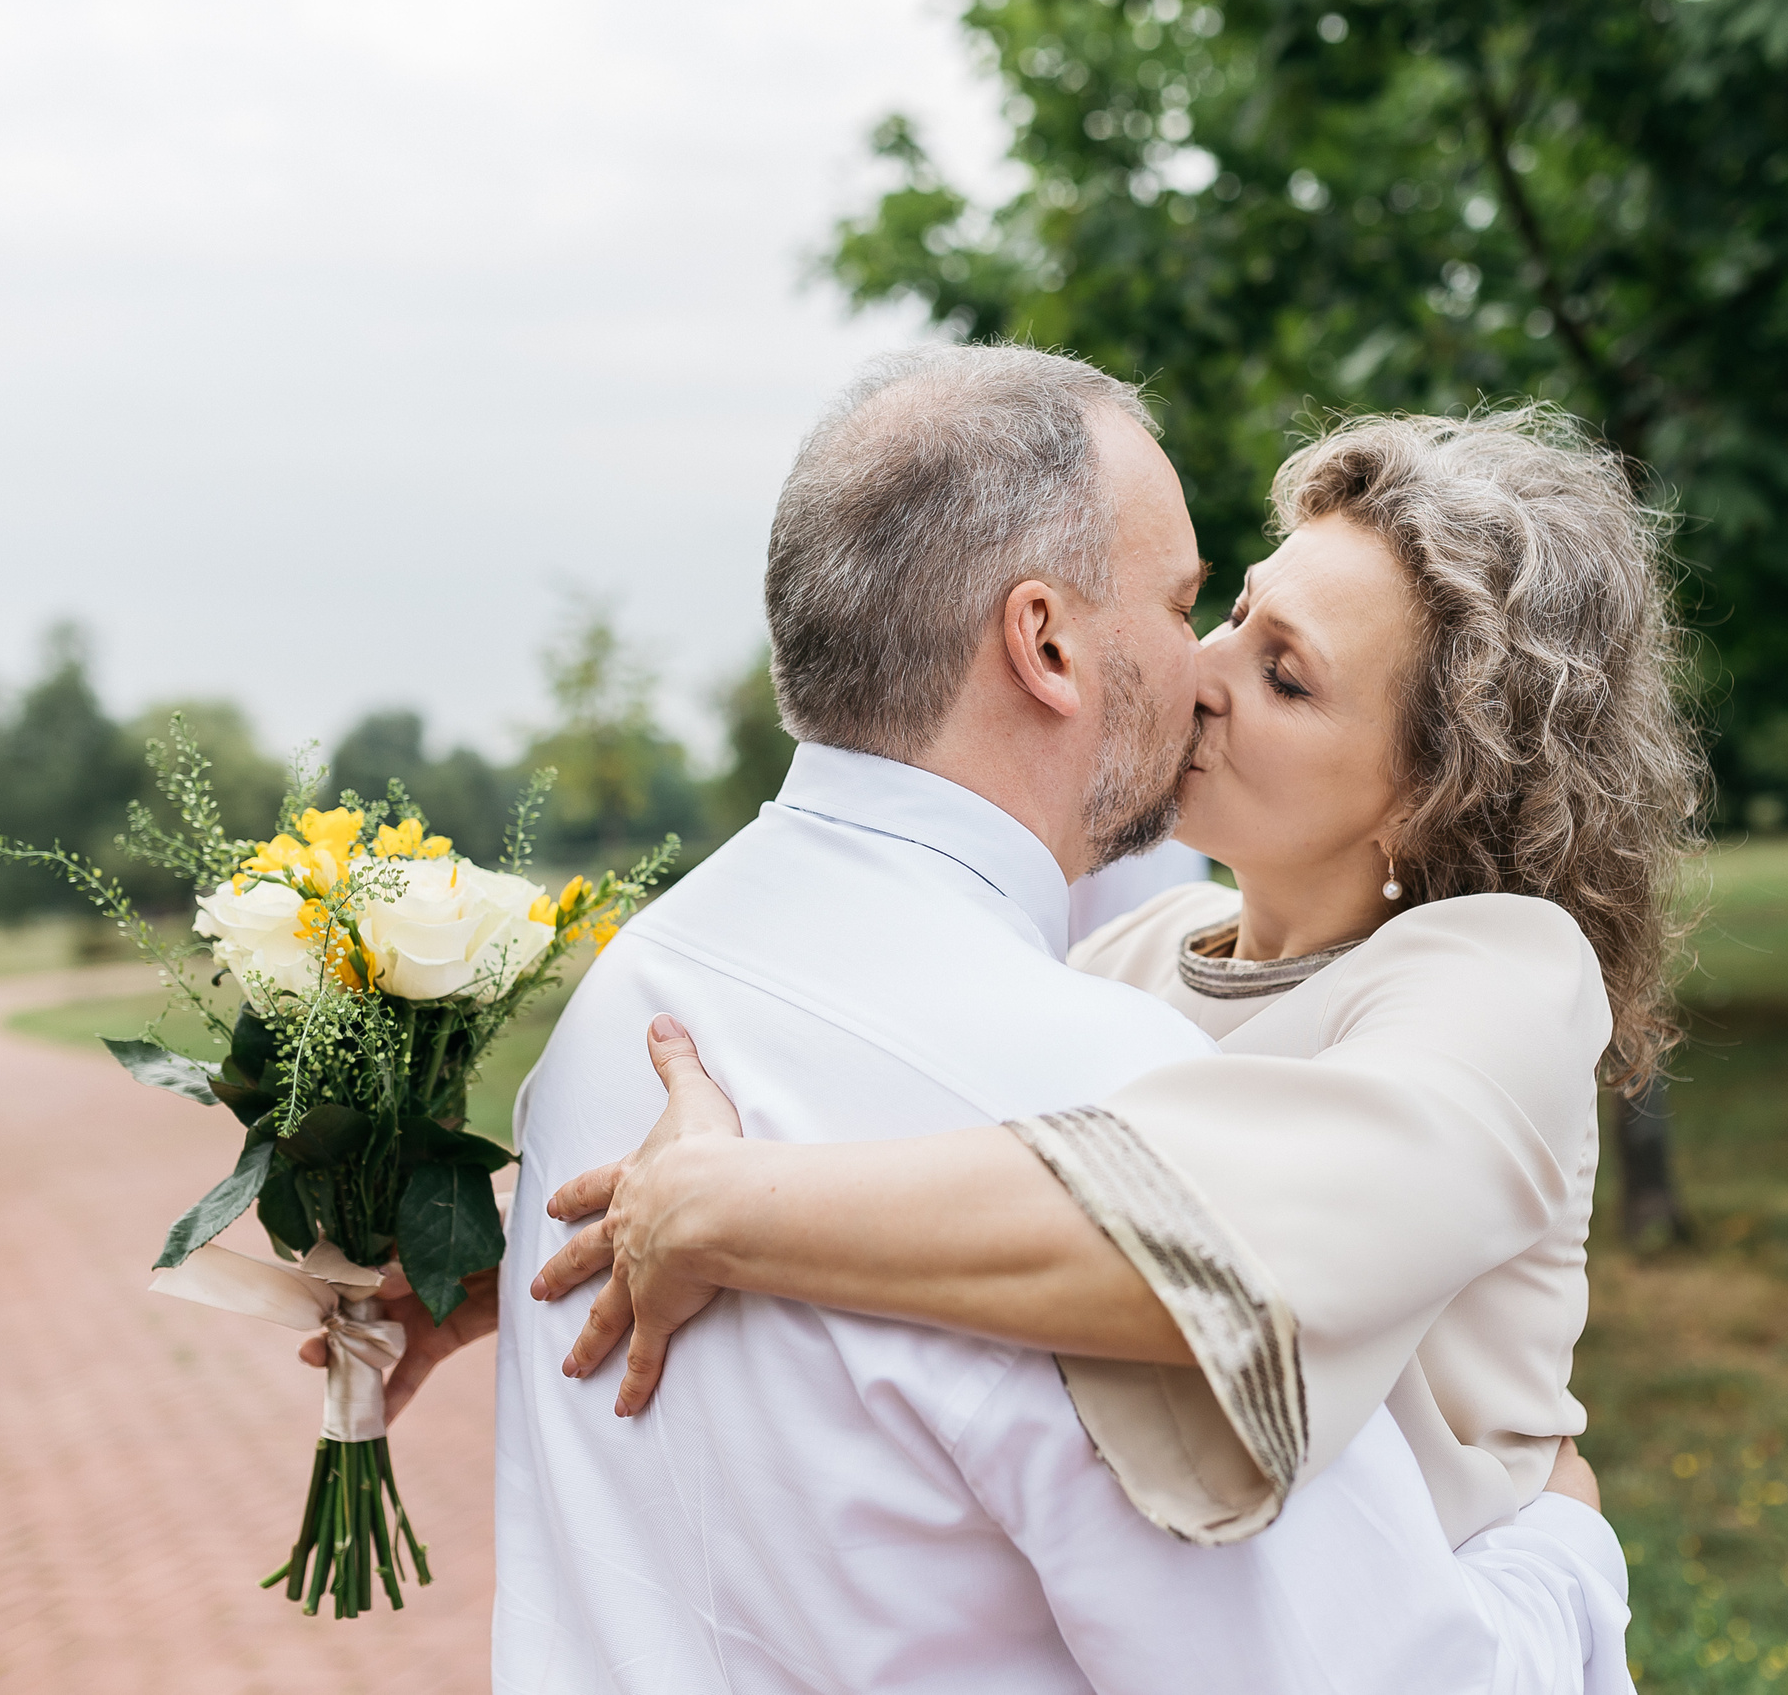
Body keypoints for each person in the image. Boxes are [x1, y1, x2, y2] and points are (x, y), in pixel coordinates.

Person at [483, 345, 1639, 1694]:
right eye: (1216, 611)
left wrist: (717, 1207)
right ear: (1042, 641)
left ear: (1432, 793)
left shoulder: (1499, 976)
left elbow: (1221, 1242)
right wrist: (503, 1230)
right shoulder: (1121, 971)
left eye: (1285, 675)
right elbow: (904, 1089)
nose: (1202, 671)